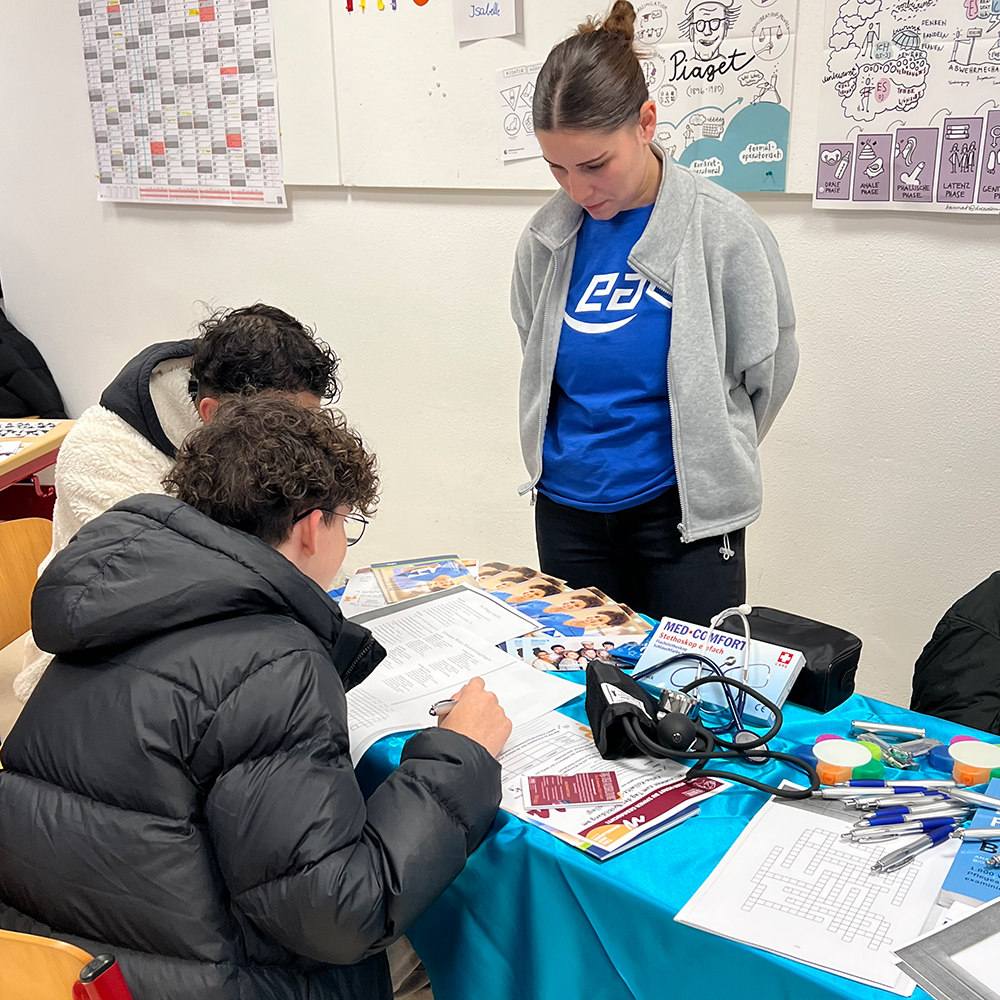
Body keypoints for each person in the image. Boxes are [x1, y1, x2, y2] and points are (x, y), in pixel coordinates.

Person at [0, 394, 510, 1000]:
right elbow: (340, 916)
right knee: (464, 924)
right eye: (347, 524)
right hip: (204, 981)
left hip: (48, 967)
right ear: (311, 527)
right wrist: (460, 756)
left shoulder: (115, 598)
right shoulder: (276, 663)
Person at [510, 1, 796, 627]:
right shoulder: (546, 238)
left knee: (688, 681)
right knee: (583, 675)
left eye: (595, 165)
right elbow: (537, 351)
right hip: (568, 509)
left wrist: (707, 451)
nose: (578, 189)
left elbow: (764, 374)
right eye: (557, 167)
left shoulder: (724, 232)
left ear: (645, 123)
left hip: (682, 519)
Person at [14, 303, 338, 702]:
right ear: (212, 413)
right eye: (284, 423)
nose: (300, 438)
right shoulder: (102, 454)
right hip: (103, 665)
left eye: (308, 421)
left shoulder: (261, 430)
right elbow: (161, 592)